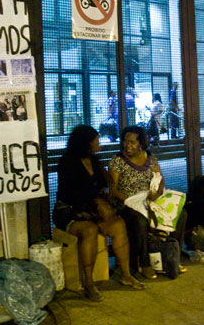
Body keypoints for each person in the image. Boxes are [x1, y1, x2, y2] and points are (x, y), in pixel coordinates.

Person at [53, 125, 145, 302]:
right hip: (70, 211)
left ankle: (125, 274)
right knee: (89, 231)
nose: (99, 144)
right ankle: (89, 283)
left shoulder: (94, 160)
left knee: (118, 225)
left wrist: (106, 199)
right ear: (86, 143)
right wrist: (96, 203)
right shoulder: (67, 162)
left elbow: (106, 184)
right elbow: (72, 194)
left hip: (93, 210)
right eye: (96, 141)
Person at [108, 126, 187, 279]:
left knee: (181, 214)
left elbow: (160, 178)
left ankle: (173, 257)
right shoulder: (117, 160)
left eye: (132, 142)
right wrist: (129, 201)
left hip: (150, 198)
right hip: (127, 202)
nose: (127, 145)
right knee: (141, 220)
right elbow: (113, 188)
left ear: (141, 143)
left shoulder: (150, 158)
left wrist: (157, 193)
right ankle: (144, 264)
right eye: (125, 142)